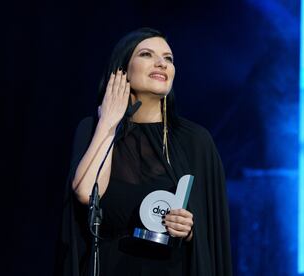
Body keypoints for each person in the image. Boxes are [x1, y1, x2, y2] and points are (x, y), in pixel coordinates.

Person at [55, 27, 232, 276]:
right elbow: (86, 193)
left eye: (168, 59)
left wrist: (189, 230)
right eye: (147, 54)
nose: (161, 63)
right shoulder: (93, 129)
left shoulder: (195, 140)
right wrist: (108, 122)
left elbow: (212, 233)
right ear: (122, 70)